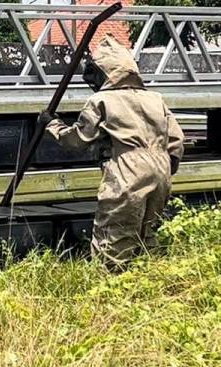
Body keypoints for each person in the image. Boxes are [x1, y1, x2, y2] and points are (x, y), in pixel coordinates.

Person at [39, 35, 185, 271]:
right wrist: (165, 169)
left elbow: (78, 140)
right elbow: (177, 141)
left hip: (127, 168)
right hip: (161, 167)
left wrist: (52, 125)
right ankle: (148, 283)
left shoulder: (101, 100)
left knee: (114, 235)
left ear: (105, 71)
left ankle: (110, 290)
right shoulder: (155, 98)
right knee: (148, 233)